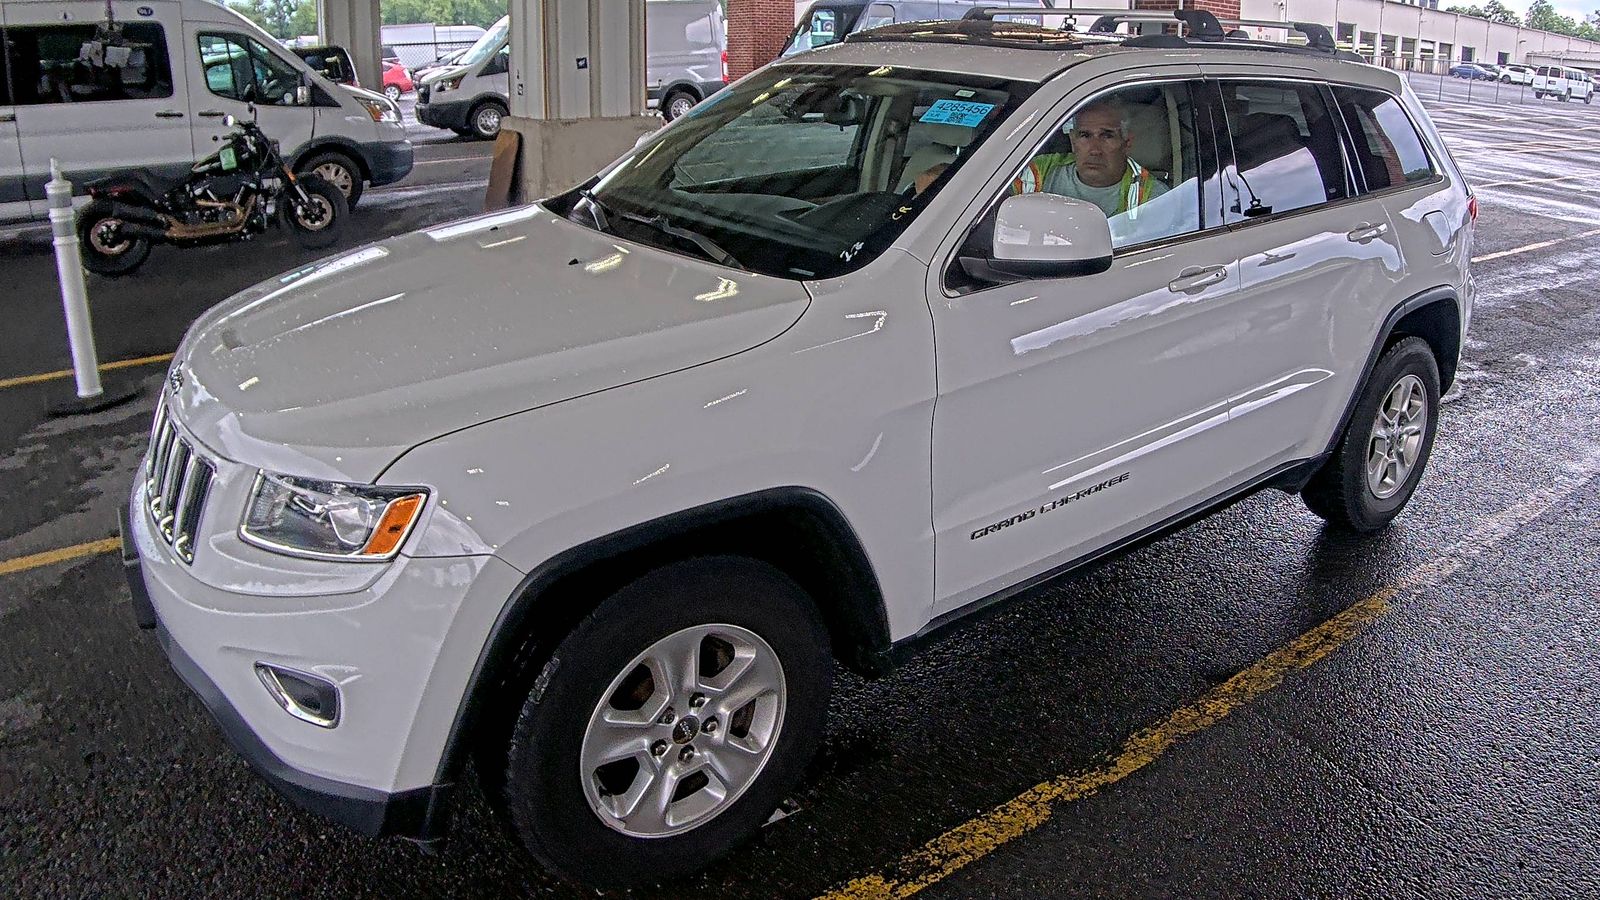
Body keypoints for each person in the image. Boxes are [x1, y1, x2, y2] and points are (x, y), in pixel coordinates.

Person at [1010, 97, 1167, 217]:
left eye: (1107, 136)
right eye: (1085, 135)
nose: (1095, 150)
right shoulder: (1038, 172)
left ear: (1126, 143)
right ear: (1073, 141)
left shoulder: (1152, 198)